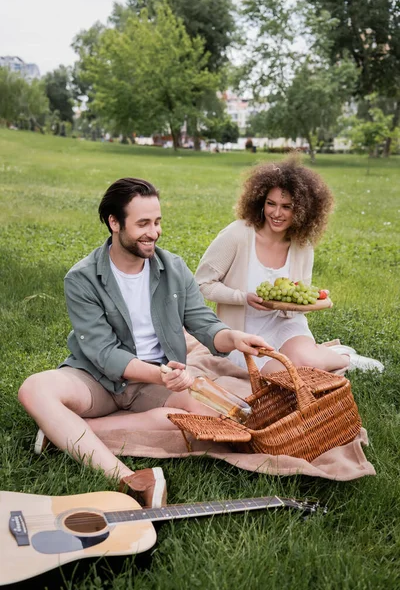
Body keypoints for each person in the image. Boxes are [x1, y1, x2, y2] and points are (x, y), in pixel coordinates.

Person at [18, 177, 271, 509]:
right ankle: (130, 480)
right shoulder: (81, 278)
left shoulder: (174, 268)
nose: (154, 232)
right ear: (114, 222)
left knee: (219, 422)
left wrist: (234, 338)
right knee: (35, 388)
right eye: (143, 223)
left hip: (155, 382)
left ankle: (65, 433)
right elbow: (103, 353)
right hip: (97, 380)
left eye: (157, 221)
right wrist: (161, 375)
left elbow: (204, 324)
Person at [195, 157, 384, 375]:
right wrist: (243, 297)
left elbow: (297, 295)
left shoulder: (302, 246)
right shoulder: (237, 235)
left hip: (285, 325)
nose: (276, 213)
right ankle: (331, 356)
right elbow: (202, 284)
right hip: (243, 333)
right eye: (271, 204)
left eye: (287, 207)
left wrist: (314, 298)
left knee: (305, 363)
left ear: (302, 210)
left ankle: (343, 358)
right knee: (284, 376)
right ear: (260, 202)